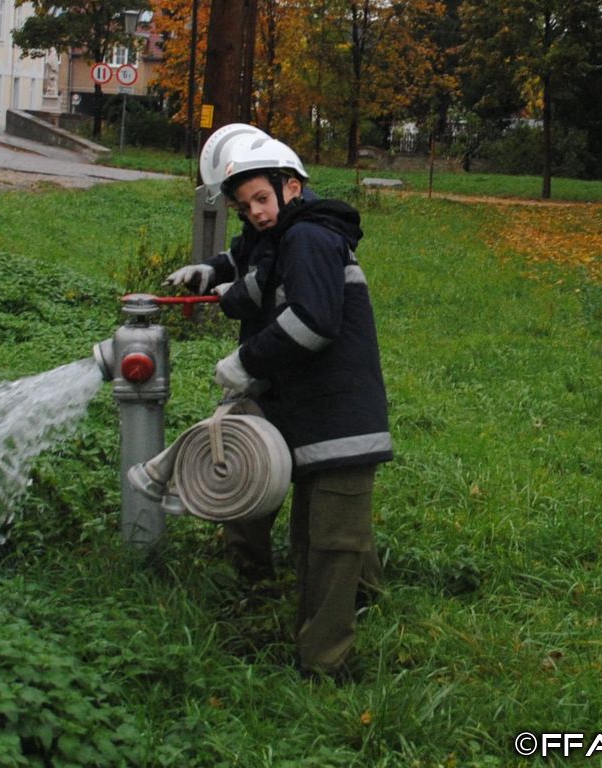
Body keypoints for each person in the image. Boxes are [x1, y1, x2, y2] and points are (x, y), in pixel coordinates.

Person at [164, 127, 393, 680]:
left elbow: (313, 322)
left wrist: (248, 363)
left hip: (337, 415)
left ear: (292, 186)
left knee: (331, 542)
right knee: (316, 535)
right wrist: (215, 271)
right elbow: (250, 255)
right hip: (306, 407)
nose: (255, 214)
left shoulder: (310, 239)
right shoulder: (283, 229)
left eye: (261, 200)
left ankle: (325, 665)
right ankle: (360, 601)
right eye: (244, 207)